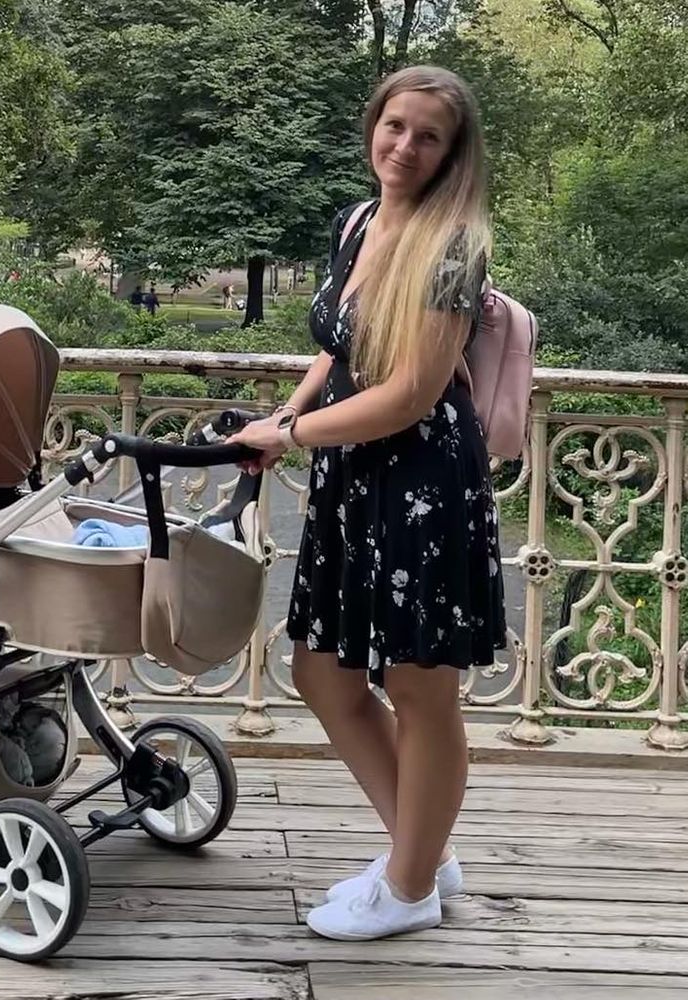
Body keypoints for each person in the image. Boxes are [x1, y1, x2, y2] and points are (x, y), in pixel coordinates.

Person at [227, 65, 506, 941]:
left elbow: (413, 393)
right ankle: (422, 852)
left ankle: (411, 888)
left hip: (423, 481)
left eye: (428, 136)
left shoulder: (454, 245)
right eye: (395, 126)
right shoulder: (355, 222)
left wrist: (292, 435)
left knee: (421, 688)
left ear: (452, 153)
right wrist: (283, 416)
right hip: (352, 475)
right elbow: (338, 350)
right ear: (373, 125)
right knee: (322, 673)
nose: (405, 147)